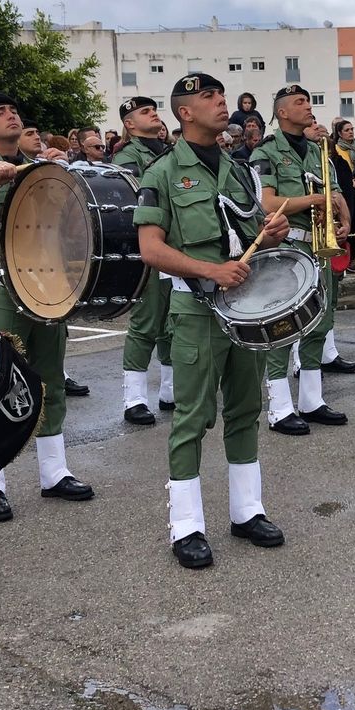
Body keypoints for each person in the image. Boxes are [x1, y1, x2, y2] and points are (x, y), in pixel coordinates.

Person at [133, 73, 289, 569]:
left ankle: (248, 511)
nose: (222, 103)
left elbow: (252, 237)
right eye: (209, 97)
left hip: (245, 308)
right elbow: (149, 248)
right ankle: (187, 525)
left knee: (245, 410)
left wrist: (276, 231)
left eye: (222, 96)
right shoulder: (161, 173)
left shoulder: (241, 170)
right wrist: (209, 271)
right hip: (196, 310)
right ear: (185, 112)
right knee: (193, 417)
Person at [0, 93, 93, 522]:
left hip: (48, 284)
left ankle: (53, 472)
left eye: (14, 111)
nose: (11, 116)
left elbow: (73, 230)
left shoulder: (43, 170)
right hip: (1, 290)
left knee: (50, 379)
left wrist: (63, 179)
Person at [251, 85, 352, 435]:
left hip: (318, 245)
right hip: (287, 245)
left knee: (318, 322)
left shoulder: (317, 149)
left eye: (309, 101)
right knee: (282, 326)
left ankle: (311, 399)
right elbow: (266, 202)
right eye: (299, 102)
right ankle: (279, 407)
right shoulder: (267, 151)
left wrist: (344, 218)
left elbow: (333, 192)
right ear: (281, 113)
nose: (308, 107)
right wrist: (313, 201)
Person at [114, 97, 176, 425]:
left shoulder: (170, 150)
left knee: (172, 323)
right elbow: (132, 200)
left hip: (175, 246)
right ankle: (134, 398)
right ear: (130, 124)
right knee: (146, 324)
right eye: (144, 112)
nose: (153, 114)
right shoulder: (128, 156)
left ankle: (169, 390)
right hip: (149, 248)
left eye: (154, 109)